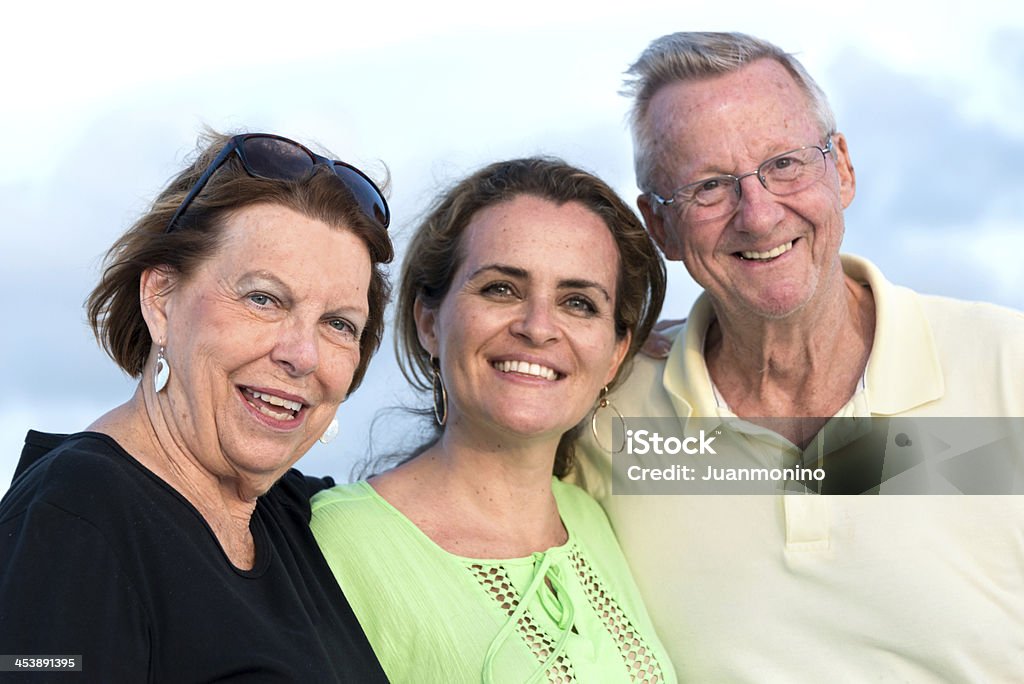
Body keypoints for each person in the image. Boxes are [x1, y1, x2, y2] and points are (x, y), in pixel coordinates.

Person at [572, 31, 1024, 682]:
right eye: (708, 187)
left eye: (784, 164)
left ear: (841, 167)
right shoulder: (607, 415)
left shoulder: (1008, 369)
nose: (757, 215)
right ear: (660, 225)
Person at [0, 131, 393, 682]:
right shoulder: (76, 520)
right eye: (263, 299)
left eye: (338, 324)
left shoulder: (293, 517)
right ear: (161, 299)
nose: (302, 355)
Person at [310, 157, 676, 683]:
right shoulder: (336, 539)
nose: (537, 328)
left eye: (578, 303)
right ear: (429, 322)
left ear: (616, 354)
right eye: (501, 289)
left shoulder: (594, 520)